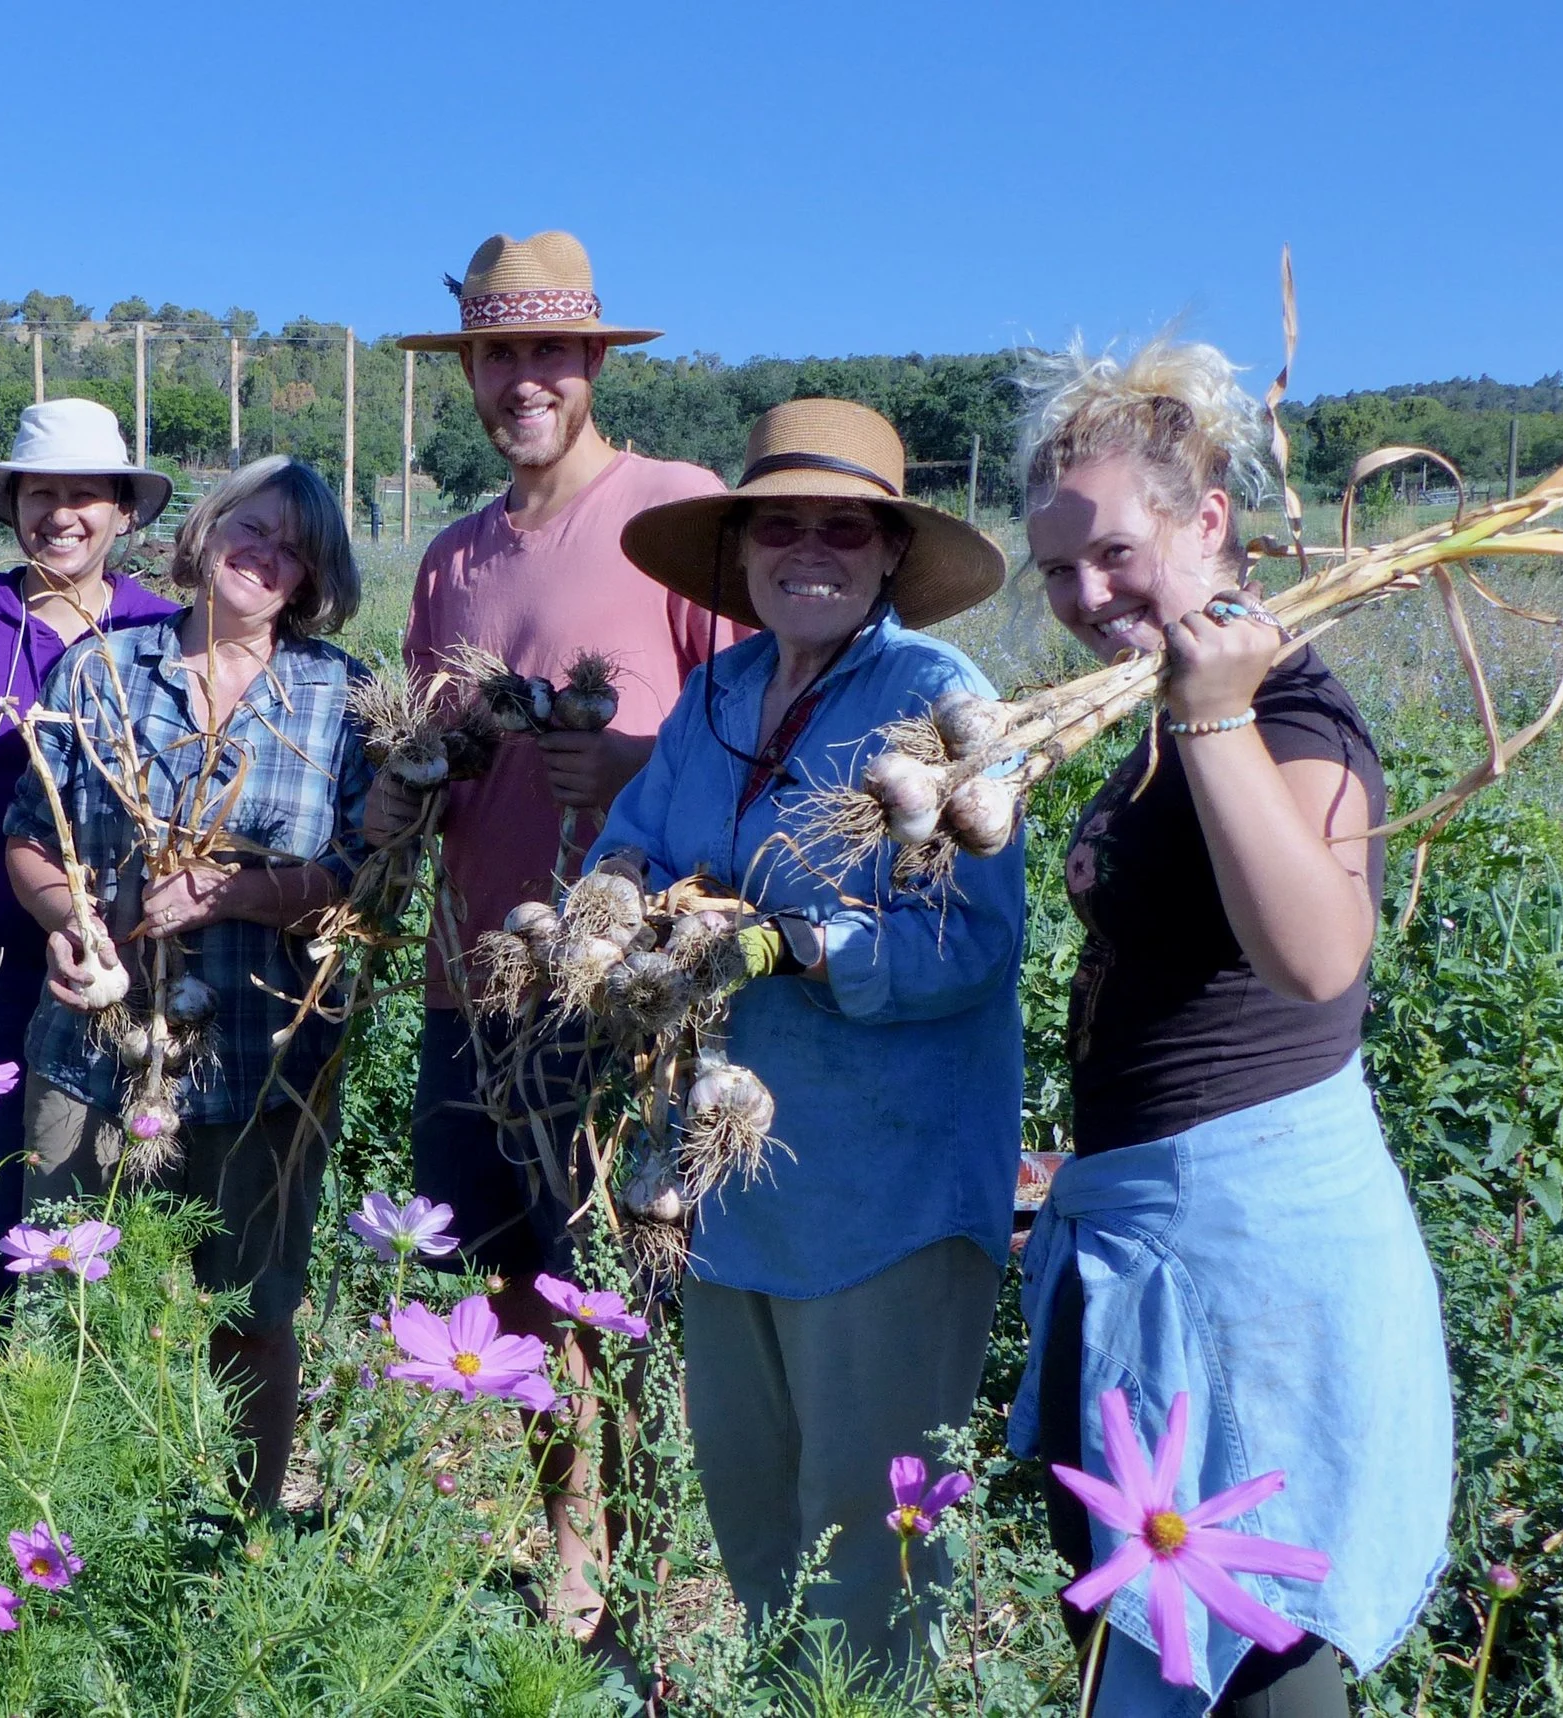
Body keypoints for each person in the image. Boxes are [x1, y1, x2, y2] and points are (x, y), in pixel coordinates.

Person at [1010, 339, 1452, 1716]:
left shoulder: (1289, 714)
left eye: (1118, 554)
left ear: (1210, 522)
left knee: (1254, 1642)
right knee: (1170, 1624)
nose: (1088, 596)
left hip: (1253, 1258)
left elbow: (1318, 956)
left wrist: (1212, 720)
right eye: (1059, 571)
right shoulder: (1170, 717)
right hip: (1157, 1229)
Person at [600, 399, 1023, 1674]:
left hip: (880, 1189)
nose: (808, 549)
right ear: (739, 550)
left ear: (892, 551)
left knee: (869, 1537)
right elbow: (638, 832)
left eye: (842, 526)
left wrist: (785, 944)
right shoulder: (720, 688)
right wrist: (613, 902)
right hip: (727, 1177)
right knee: (758, 1525)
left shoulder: (942, 700)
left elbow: (970, 942)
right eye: (778, 524)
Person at [367, 229, 733, 1633]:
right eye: (497, 353)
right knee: (515, 1283)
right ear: (469, 367)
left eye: (549, 353)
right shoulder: (456, 558)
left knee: (621, 1285)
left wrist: (633, 765)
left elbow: (741, 733)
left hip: (617, 985)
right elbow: (422, 753)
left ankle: (638, 1569)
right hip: (475, 978)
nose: (524, 379)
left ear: (592, 362)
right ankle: (566, 1529)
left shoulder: (673, 513)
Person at [5, 456, 369, 1510]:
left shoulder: (341, 694)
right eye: (248, 527)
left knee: (252, 1308)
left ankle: (239, 1528)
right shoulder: (101, 671)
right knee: (64, 1299)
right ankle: (70, 1521)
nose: (264, 554)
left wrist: (235, 895)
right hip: (91, 1049)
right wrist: (68, 924)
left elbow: (363, 880)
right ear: (202, 533)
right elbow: (31, 838)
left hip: (265, 1056)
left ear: (310, 577)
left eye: (291, 544)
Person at [0, 399, 178, 1281]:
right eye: (40, 492)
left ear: (124, 511)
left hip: (121, 967)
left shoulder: (162, 630)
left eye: (86, 492)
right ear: (11, 509)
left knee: (98, 1208)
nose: (62, 513)